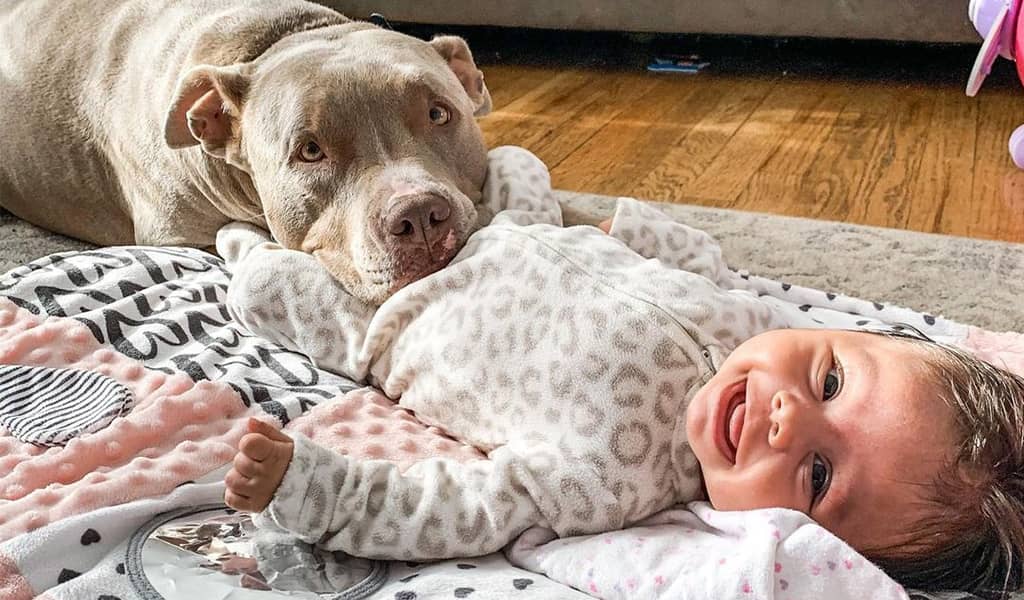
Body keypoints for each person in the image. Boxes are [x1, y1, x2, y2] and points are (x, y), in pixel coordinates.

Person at [218, 147, 1024, 598]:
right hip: (514, 231)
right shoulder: (756, 323)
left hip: (394, 317)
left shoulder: (611, 482)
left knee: (261, 285)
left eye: (817, 474)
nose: (787, 419)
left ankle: (237, 231)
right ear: (847, 335)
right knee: (514, 160)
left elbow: (456, 509)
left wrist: (314, 487)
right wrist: (636, 230)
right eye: (834, 385)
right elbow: (708, 270)